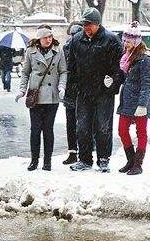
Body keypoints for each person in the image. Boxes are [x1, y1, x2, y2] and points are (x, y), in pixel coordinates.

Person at [68, 8, 124, 173]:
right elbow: (71, 66)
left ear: (98, 24)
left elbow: (120, 67)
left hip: (103, 92)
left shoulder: (112, 40)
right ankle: (84, 159)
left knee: (103, 127)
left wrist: (113, 82)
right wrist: (73, 87)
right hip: (83, 92)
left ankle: (103, 159)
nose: (87, 27)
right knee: (82, 127)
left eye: (90, 24)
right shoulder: (76, 40)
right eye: (85, 24)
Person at [15, 24, 67, 171]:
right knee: (35, 130)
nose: (48, 40)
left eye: (50, 36)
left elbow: (63, 71)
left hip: (52, 97)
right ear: (39, 38)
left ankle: (47, 161)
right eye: (45, 37)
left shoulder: (58, 51)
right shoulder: (30, 51)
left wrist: (62, 86)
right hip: (35, 96)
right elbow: (25, 72)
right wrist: (22, 90)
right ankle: (34, 160)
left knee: (48, 129)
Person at [117, 21, 150, 175]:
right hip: (127, 100)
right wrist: (113, 80)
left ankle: (138, 164)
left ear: (136, 41)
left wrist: (143, 105)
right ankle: (131, 160)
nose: (125, 44)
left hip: (140, 101)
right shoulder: (127, 57)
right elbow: (124, 77)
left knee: (141, 133)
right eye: (124, 41)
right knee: (122, 131)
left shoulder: (146, 59)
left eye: (128, 41)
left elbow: (147, 84)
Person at [62, 24, 83, 165]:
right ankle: (78, 152)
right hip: (78, 90)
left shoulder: (66, 48)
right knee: (82, 123)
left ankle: (73, 152)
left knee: (72, 123)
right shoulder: (79, 47)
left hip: (72, 90)